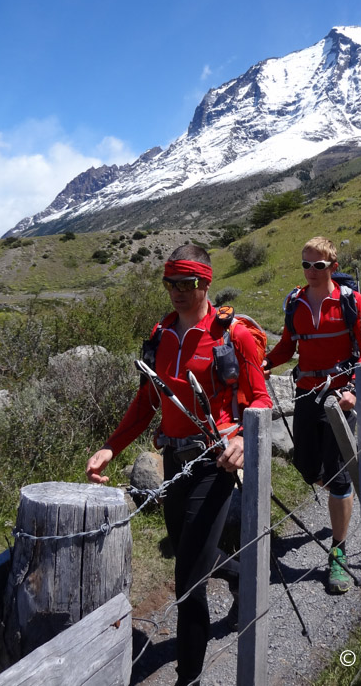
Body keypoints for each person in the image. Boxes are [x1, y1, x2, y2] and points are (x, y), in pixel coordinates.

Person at [86, 244, 271, 686]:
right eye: (170, 283)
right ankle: (242, 575)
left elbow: (261, 399)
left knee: (187, 581)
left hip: (214, 463)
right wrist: (112, 446)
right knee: (191, 552)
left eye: (187, 283)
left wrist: (242, 439)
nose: (177, 291)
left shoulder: (233, 335)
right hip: (175, 463)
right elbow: (147, 400)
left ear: (206, 282)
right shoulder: (161, 334)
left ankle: (188, 678)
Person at [262, 237, 361, 595]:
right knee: (307, 467)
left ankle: (337, 552)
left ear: (333, 267)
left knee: (337, 476)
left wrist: (355, 389)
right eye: (306, 265)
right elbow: (287, 346)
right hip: (306, 393)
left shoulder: (350, 301)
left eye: (319, 265)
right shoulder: (295, 302)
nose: (311, 271)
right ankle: (342, 490)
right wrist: (264, 362)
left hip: (340, 398)